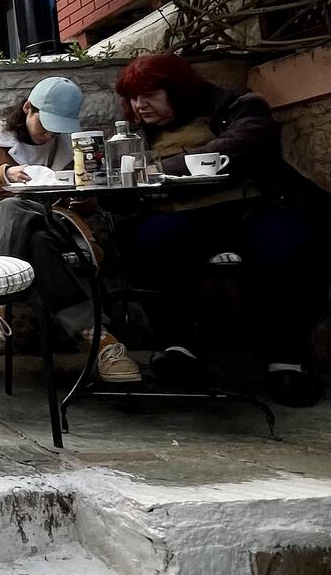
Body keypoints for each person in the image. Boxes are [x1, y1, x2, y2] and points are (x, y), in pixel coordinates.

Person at [113, 52, 328, 407]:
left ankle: (287, 360)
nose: (140, 105)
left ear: (177, 89)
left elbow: (247, 144)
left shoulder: (236, 106)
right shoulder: (132, 132)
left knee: (289, 243)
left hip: (247, 207)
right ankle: (178, 347)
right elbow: (118, 184)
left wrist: (162, 168)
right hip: (178, 216)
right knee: (144, 241)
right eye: (134, 97)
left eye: (149, 95)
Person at [0, 75, 142, 383]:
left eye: (58, 128)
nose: (50, 134)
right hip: (0, 231)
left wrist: (83, 191)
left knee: (27, 218)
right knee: (25, 226)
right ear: (28, 108)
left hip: (55, 225)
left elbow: (87, 207)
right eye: (45, 124)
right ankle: (101, 341)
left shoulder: (71, 148)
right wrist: (3, 175)